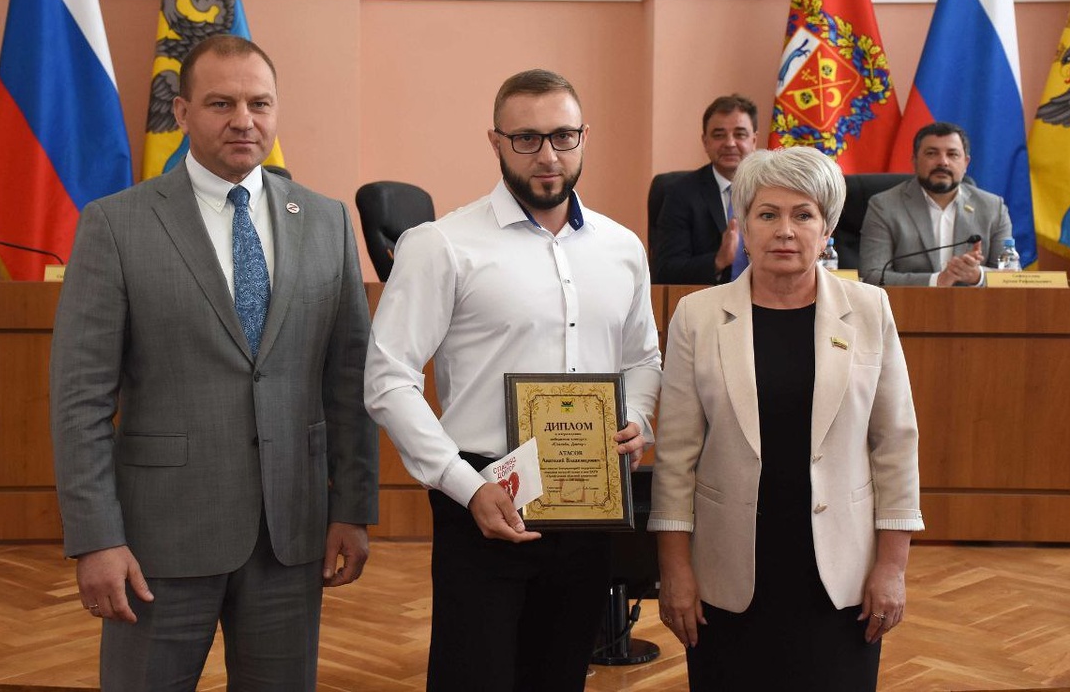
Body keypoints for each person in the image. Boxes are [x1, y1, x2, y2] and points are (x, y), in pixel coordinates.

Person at [49, 34, 378, 690]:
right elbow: (79, 398)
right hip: (157, 541)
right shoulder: (117, 225)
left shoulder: (326, 221)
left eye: (260, 103)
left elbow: (349, 379)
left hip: (292, 533)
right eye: (221, 103)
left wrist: (354, 506)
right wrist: (96, 537)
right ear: (183, 111)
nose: (243, 120)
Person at [363, 68, 662, 692]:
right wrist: (464, 486)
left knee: (559, 675)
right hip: (484, 493)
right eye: (526, 139)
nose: (548, 155)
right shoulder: (441, 244)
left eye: (562, 136)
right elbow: (388, 378)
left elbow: (643, 359)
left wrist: (638, 413)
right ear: (496, 141)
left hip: (589, 497)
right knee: (473, 676)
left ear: (584, 136)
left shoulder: (622, 247)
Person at [650, 146, 923, 691]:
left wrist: (892, 568)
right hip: (728, 572)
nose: (785, 230)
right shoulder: (698, 316)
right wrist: (675, 570)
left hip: (840, 574)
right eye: (767, 214)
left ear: (827, 231)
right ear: (743, 228)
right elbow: (676, 455)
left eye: (803, 215)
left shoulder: (869, 310)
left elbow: (895, 444)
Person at [860, 121, 1013, 286]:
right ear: (914, 160)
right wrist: (937, 280)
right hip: (908, 307)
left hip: (975, 308)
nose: (943, 162)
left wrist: (978, 276)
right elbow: (872, 275)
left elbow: (1010, 277)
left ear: (966, 163)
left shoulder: (993, 207)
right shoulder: (884, 206)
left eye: (952, 154)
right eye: (932, 153)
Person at [652, 93, 758, 284]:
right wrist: (718, 260)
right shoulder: (680, 193)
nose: (730, 143)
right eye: (719, 135)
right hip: (709, 303)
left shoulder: (773, 190)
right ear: (705, 142)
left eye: (740, 134)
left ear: (754, 141)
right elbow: (665, 270)